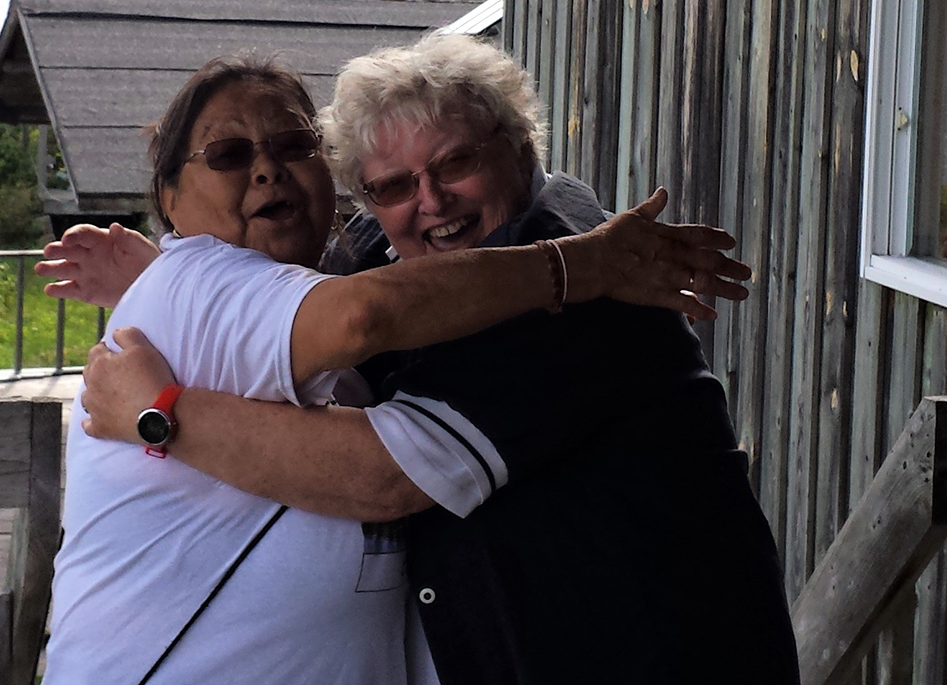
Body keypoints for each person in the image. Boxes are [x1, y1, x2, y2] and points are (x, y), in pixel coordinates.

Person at [39, 37, 796, 685]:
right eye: (392, 186)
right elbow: (356, 289)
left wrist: (162, 411)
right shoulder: (397, 256)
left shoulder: (567, 295)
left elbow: (383, 471)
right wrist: (160, 281)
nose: (428, 201)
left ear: (522, 150)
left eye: (456, 162)